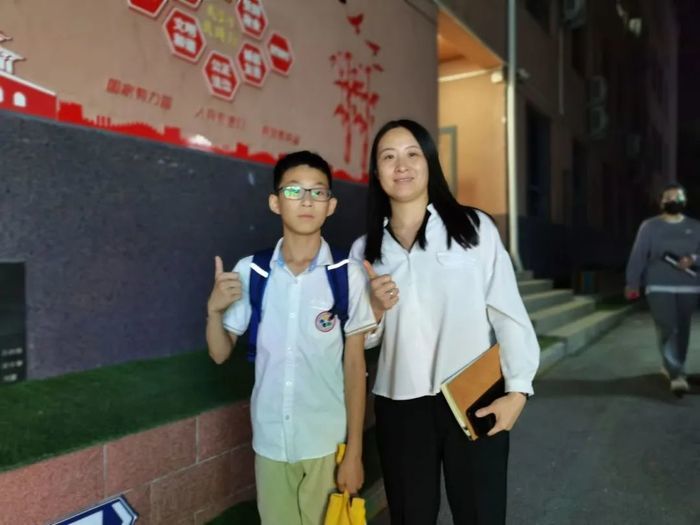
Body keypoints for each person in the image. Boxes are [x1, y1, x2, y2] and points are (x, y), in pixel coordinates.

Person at [349, 119, 540, 524]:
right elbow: (361, 340)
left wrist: (518, 391)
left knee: (481, 514)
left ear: (430, 163)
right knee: (410, 516)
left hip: (473, 396)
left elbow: (508, 312)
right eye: (388, 157)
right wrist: (375, 309)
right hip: (400, 405)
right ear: (376, 172)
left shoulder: (473, 228)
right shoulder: (365, 250)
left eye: (412, 154)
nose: (401, 165)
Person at [206, 151, 376, 525]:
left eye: (318, 192)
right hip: (270, 442)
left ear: (331, 205)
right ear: (275, 202)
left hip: (326, 443)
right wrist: (214, 311)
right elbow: (220, 354)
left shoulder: (347, 274)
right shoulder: (251, 271)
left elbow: (354, 367)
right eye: (294, 190)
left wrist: (354, 453)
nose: (306, 201)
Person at [625, 183, 700, 396]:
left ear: (685, 201)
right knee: (668, 327)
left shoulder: (696, 226)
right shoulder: (650, 226)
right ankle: (677, 374)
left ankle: (671, 366)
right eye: (669, 197)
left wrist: (693, 259)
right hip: (658, 285)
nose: (673, 200)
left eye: (678, 197)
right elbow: (639, 254)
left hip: (689, 286)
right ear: (661, 202)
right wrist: (632, 283)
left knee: (683, 329)